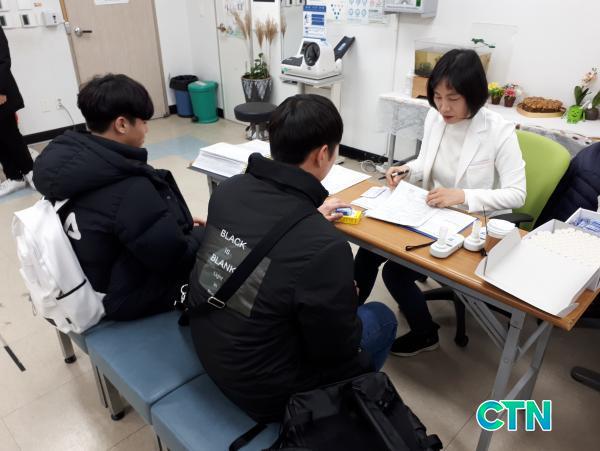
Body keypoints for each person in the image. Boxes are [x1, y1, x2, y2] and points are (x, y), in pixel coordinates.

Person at [189, 94, 398, 423]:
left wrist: (307, 216)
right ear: (323, 154)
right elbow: (336, 351)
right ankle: (349, 410)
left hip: (209, 344)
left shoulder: (229, 190)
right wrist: (345, 304)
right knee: (381, 318)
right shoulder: (326, 246)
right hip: (267, 393)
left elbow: (262, 243)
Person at [355, 49, 526, 357]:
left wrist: (462, 195)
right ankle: (346, 322)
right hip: (430, 212)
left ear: (474, 95)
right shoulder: (435, 117)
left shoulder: (498, 131)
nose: (443, 107)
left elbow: (517, 193)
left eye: (453, 98)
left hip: (469, 226)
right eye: (437, 96)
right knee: (368, 251)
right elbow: (426, 162)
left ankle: (425, 334)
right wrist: (407, 170)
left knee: (395, 273)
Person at [33, 74, 204, 321]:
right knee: (220, 251)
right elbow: (174, 258)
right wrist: (200, 236)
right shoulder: (130, 188)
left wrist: (172, 227)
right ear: (122, 124)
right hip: (121, 297)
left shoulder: (68, 168)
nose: (146, 129)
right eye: (143, 121)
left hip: (87, 280)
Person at [0, 26, 35, 196]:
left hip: (1, 92)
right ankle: (14, 177)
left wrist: (0, 90)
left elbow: (3, 59)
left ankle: (30, 171)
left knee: (9, 133)